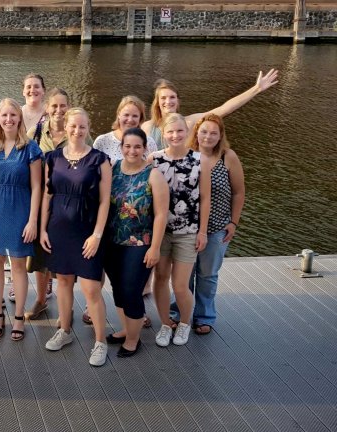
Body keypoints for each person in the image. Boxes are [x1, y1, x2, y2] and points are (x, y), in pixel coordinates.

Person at [40, 108, 111, 367]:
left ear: (88, 127)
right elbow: (48, 194)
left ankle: (100, 341)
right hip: (58, 228)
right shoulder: (53, 158)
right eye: (73, 126)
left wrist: (97, 235)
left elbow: (105, 202)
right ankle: (65, 331)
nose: (77, 131)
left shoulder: (99, 160)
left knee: (91, 287)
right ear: (65, 126)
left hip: (88, 231)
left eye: (82, 127)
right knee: (64, 283)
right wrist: (42, 228)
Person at [0, 98, 42, 341]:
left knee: (18, 267)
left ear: (19, 118)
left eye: (13, 115)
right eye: (4, 115)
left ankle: (20, 316)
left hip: (20, 210)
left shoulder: (30, 148)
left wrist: (33, 220)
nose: (9, 119)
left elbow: (36, 187)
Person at [170, 114, 245, 335]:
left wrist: (233, 222)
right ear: (197, 133)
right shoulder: (188, 155)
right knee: (184, 274)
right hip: (187, 228)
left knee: (207, 274)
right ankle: (178, 313)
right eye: (204, 131)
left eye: (213, 132)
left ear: (220, 135)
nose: (208, 136)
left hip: (217, 228)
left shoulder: (227, 157)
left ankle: (204, 316)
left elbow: (239, 192)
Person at [103, 128, 168, 358]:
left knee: (131, 291)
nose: (132, 150)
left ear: (145, 148)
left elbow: (161, 214)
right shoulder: (114, 170)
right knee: (118, 289)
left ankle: (133, 339)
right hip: (112, 242)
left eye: (137, 146)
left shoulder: (153, 176)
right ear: (121, 148)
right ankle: (126, 329)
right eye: (127, 146)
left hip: (140, 243)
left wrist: (155, 247)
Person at [148, 113, 210, 348]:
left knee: (181, 284)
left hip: (188, 231)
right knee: (160, 278)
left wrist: (202, 231)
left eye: (180, 131)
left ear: (187, 132)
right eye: (170, 132)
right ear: (163, 134)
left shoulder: (199, 160)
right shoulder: (154, 159)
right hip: (160, 231)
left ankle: (184, 322)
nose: (175, 135)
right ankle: (165, 323)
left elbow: (205, 198)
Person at [140, 70, 279, 148]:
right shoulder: (147, 127)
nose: (168, 102)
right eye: (163, 98)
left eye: (172, 97)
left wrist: (256, 89)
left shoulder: (190, 122)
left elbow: (225, 109)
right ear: (157, 102)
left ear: (178, 101)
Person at [24, 88, 69, 318]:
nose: (58, 110)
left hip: (67, 204)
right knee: (40, 255)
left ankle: (65, 309)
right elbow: (24, 162)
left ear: (68, 108)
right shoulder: (37, 132)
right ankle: (41, 300)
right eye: (54, 106)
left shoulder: (76, 131)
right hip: (41, 200)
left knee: (63, 256)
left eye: (63, 106)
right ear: (47, 108)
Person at [93, 95, 159, 161]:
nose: (130, 120)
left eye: (135, 116)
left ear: (140, 118)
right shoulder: (102, 141)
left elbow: (155, 167)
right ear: (119, 115)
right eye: (126, 115)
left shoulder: (149, 143)